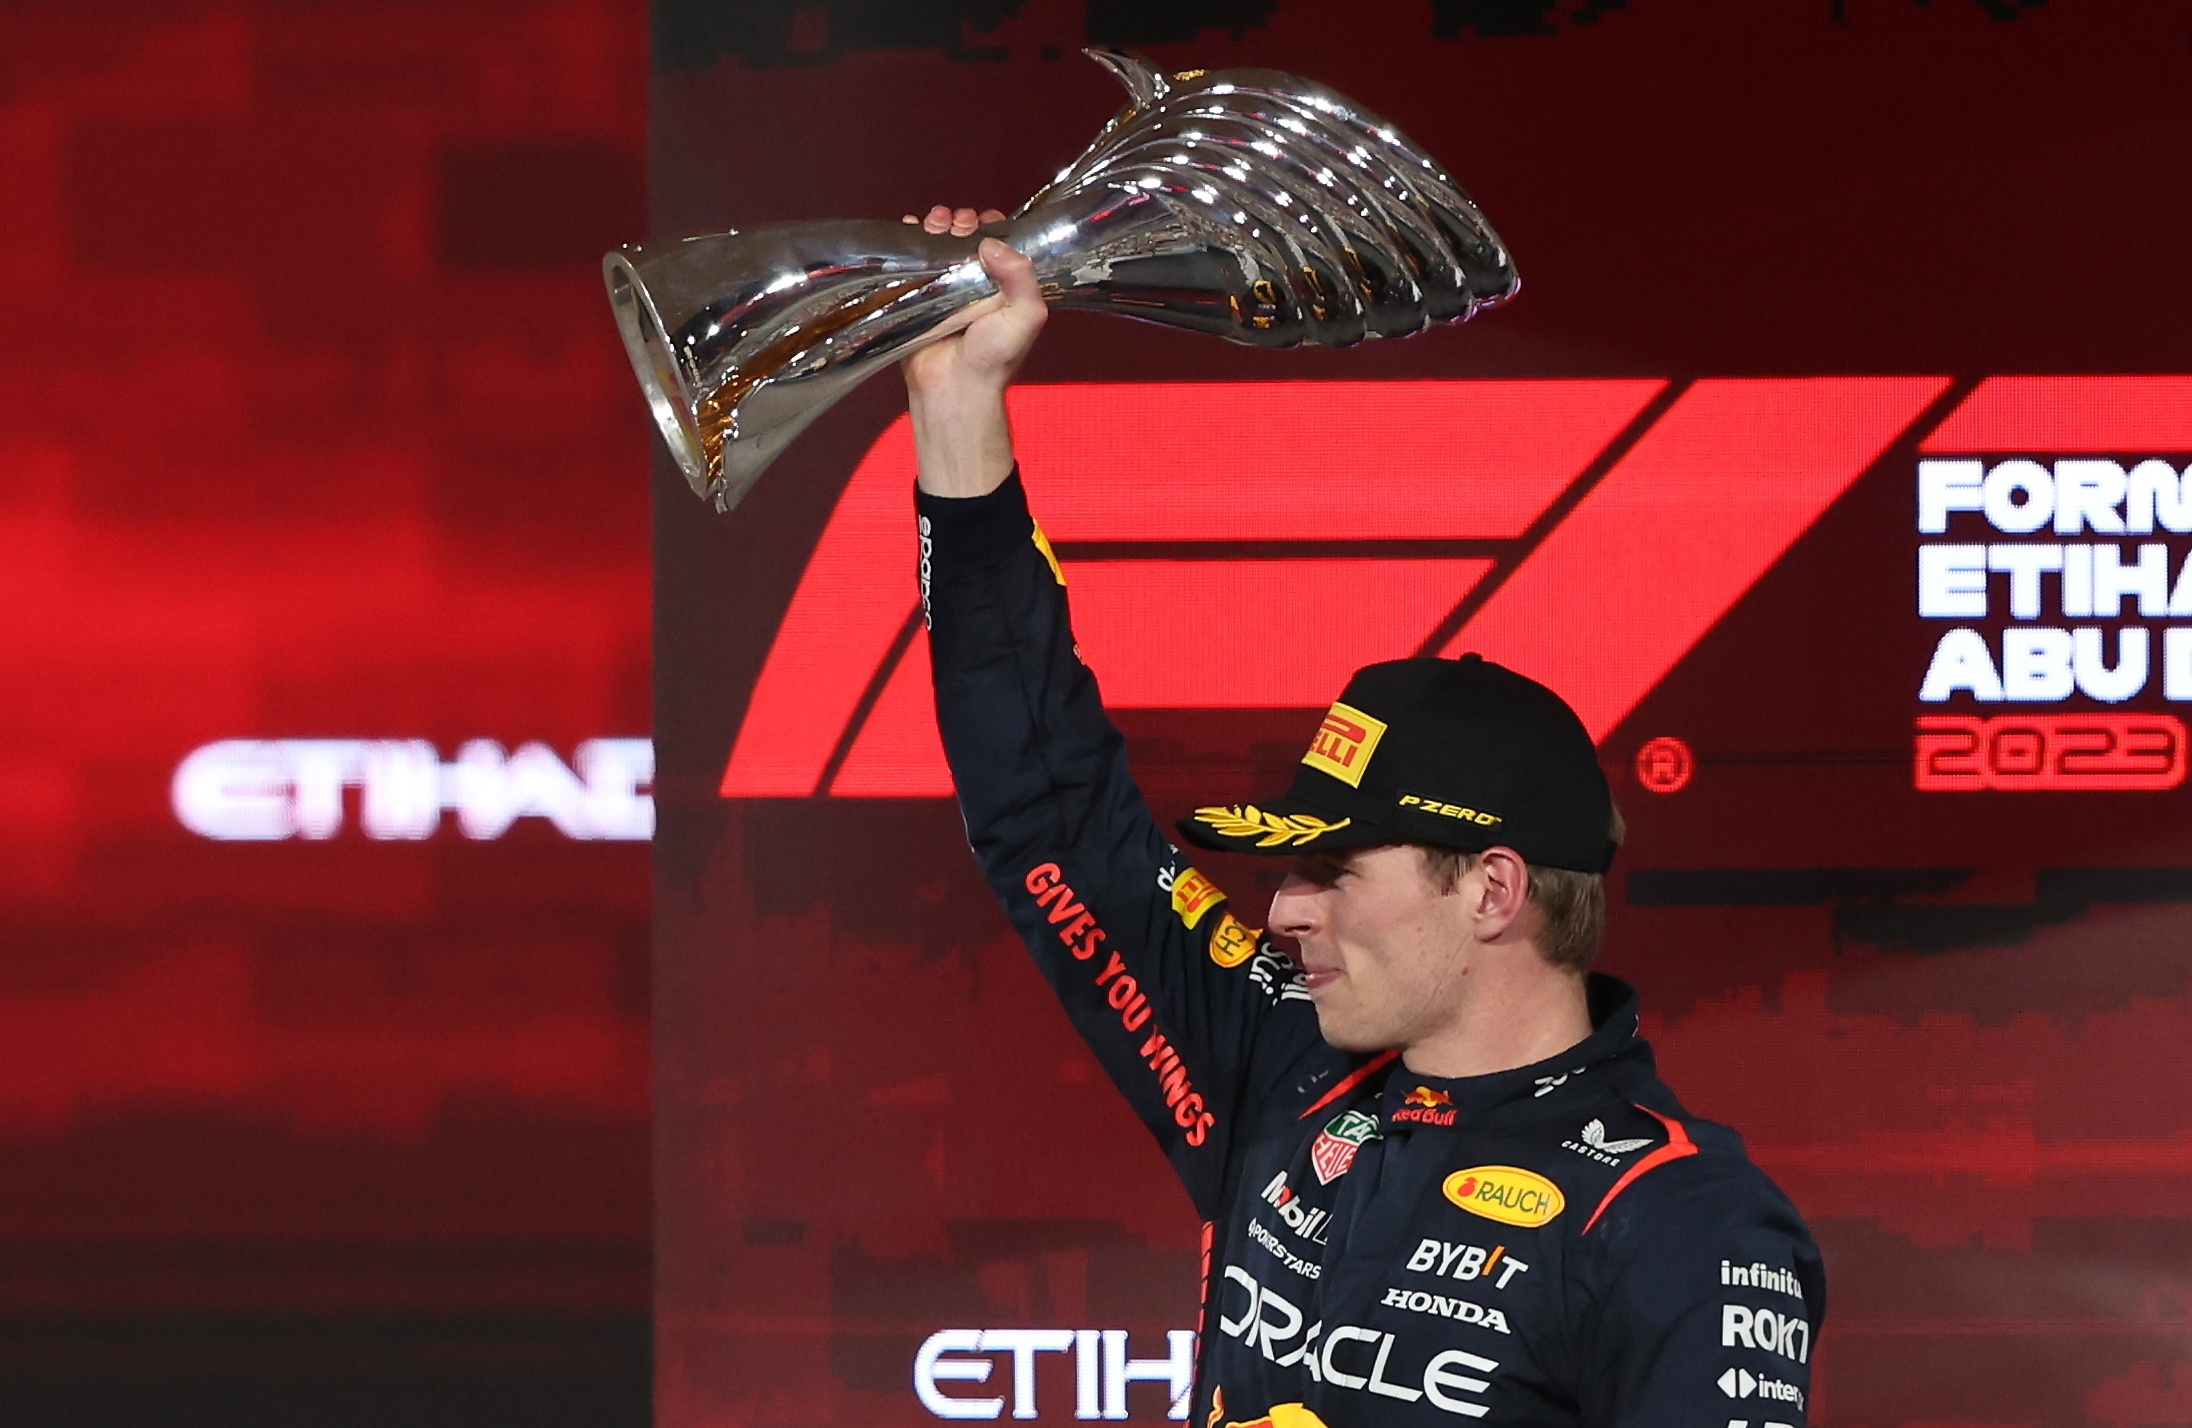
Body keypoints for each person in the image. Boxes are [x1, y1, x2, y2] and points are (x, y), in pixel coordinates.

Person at [899, 204, 1823, 1428]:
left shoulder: (1680, 1220)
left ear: (1491, 890)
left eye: (1334, 869)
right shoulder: (1282, 1064)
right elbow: (1050, 814)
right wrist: (956, 409)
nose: (1280, 909)